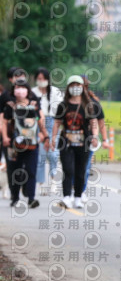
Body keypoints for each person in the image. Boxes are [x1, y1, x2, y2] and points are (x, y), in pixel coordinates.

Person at [49, 75, 100, 209]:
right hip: (66, 141)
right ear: (68, 88)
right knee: (68, 169)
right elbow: (57, 123)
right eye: (73, 85)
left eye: (78, 85)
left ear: (83, 87)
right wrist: (53, 138)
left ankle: (78, 197)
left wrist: (95, 136)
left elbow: (94, 122)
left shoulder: (88, 105)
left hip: (83, 142)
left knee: (80, 170)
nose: (75, 88)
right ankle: (66, 197)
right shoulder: (63, 105)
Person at [0, 79, 47, 208]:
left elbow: (39, 120)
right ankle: (15, 197)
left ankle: (31, 198)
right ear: (13, 91)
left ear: (28, 90)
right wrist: (5, 137)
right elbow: (4, 122)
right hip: (13, 144)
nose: (20, 91)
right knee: (15, 171)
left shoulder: (34, 104)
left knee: (31, 170)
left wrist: (44, 135)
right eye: (17, 88)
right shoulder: (10, 106)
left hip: (32, 144)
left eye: (23, 88)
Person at [77, 75, 109, 202]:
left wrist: (105, 140)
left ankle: (81, 191)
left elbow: (101, 123)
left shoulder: (94, 103)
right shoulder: (68, 103)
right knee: (72, 166)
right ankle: (74, 189)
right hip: (71, 140)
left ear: (85, 87)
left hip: (88, 141)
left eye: (79, 86)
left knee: (85, 167)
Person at [32, 67, 64, 196]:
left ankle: (53, 181)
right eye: (39, 79)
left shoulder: (55, 91)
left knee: (53, 153)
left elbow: (61, 110)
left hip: (53, 122)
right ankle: (40, 184)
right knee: (40, 155)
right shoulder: (32, 92)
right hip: (37, 123)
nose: (41, 81)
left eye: (43, 78)